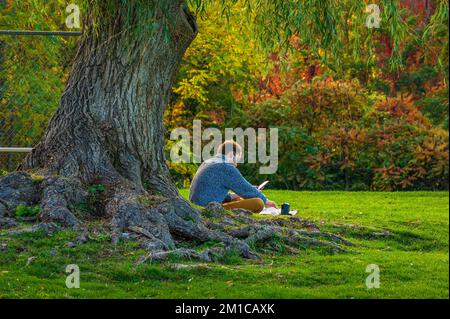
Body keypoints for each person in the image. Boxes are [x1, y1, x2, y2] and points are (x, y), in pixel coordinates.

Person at [189, 140, 277, 213]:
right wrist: (267, 201)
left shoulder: (208, 162)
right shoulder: (225, 166)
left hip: (199, 205)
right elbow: (246, 190)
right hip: (208, 210)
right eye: (239, 157)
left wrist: (235, 195)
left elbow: (213, 192)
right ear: (232, 154)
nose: (237, 162)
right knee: (258, 203)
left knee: (238, 198)